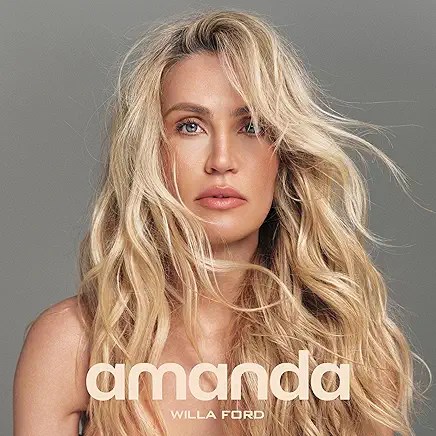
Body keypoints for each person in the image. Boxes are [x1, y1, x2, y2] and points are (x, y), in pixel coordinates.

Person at [13, 8, 428, 436]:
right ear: (149, 151)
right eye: (190, 126)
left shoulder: (351, 348)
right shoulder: (73, 344)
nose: (222, 160)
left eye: (252, 126)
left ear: (284, 154)